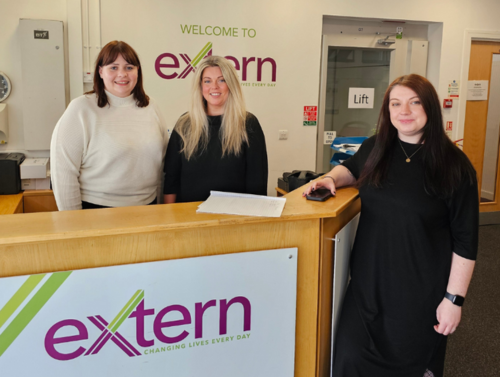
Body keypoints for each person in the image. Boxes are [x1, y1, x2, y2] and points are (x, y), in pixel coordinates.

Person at [303, 74, 478, 377]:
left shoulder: (455, 166)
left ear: (430, 108)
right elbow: (351, 169)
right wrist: (331, 178)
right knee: (347, 362)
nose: (404, 111)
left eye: (414, 102)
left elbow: (466, 241)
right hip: (367, 289)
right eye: (396, 104)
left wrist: (453, 300)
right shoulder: (377, 147)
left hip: (418, 296)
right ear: (387, 110)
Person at [51, 41, 169, 210]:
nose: (122, 74)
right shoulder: (81, 109)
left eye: (129, 67)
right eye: (113, 67)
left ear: (138, 71)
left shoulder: (151, 107)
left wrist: (160, 208)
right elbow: (63, 172)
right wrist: (73, 224)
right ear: (100, 71)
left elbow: (162, 164)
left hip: (147, 208)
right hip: (96, 210)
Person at [163, 56, 268, 203]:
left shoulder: (248, 124)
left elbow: (257, 183)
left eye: (221, 80)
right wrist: (170, 217)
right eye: (207, 81)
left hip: (232, 219)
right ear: (200, 87)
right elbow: (171, 180)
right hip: (187, 218)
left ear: (231, 84)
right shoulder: (184, 124)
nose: (214, 87)